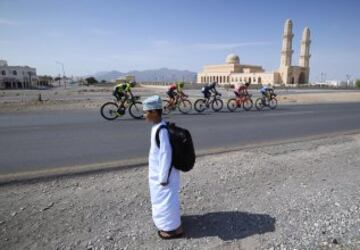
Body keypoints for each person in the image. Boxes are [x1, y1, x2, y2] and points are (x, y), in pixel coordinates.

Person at [143, 95, 184, 240]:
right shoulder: (159, 127)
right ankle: (170, 223)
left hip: (164, 175)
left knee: (167, 200)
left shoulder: (162, 130)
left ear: (154, 112)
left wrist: (163, 178)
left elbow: (166, 155)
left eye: (146, 112)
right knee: (163, 201)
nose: (144, 115)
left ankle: (173, 230)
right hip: (159, 174)